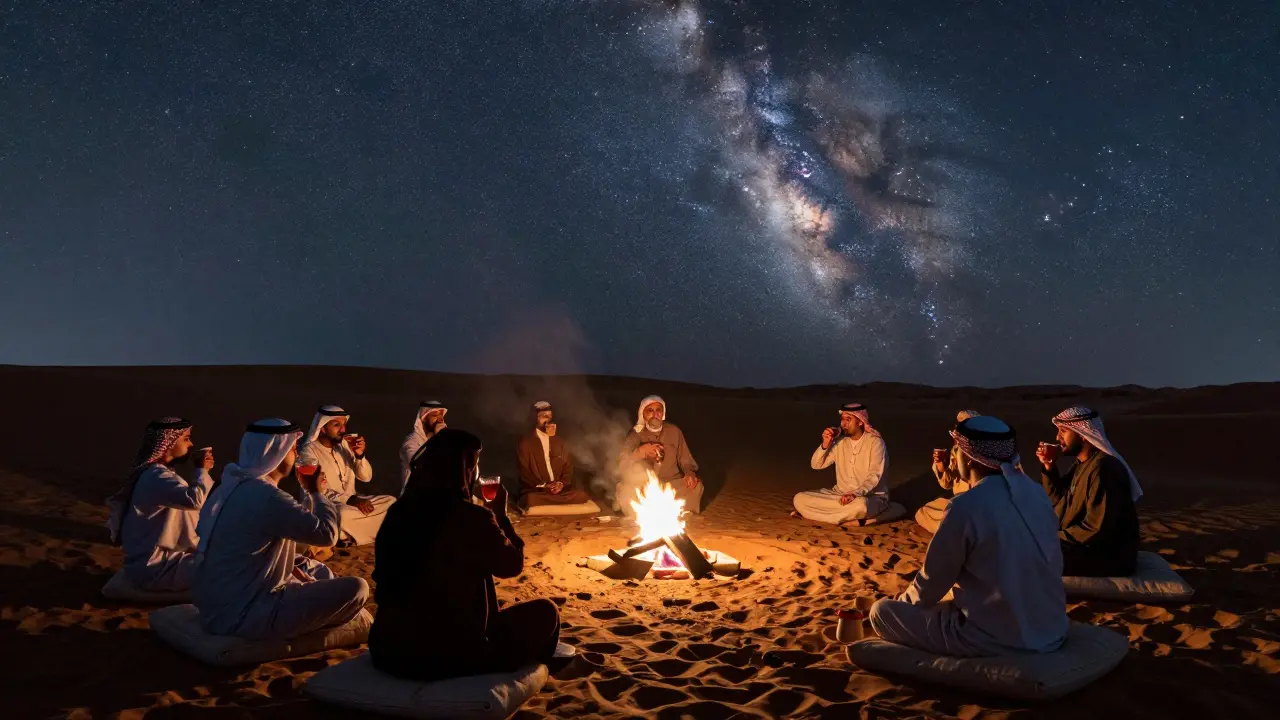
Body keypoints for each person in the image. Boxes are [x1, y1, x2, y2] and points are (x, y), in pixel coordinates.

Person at [369, 429, 561, 681]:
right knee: (546, 613)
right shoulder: (471, 517)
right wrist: (500, 516)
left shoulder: (397, 511)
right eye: (473, 465)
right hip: (446, 655)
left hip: (388, 648)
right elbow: (512, 564)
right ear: (463, 470)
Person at [870, 416, 1068, 657]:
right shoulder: (1035, 493)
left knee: (881, 612)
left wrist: (901, 602)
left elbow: (931, 583)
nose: (955, 456)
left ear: (969, 457)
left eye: (957, 450)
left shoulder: (965, 506)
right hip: (1052, 628)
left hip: (996, 637)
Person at [192, 419, 369, 640]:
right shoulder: (268, 497)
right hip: (246, 614)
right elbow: (327, 535)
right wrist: (317, 493)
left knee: (311, 567)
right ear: (278, 453)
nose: (295, 456)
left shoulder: (229, 485)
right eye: (292, 449)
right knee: (357, 588)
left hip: (219, 604)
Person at [106, 417, 214, 592]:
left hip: (164, 562)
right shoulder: (156, 477)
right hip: (158, 567)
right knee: (228, 571)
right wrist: (202, 470)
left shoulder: (157, 474)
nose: (191, 444)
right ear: (169, 443)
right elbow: (195, 500)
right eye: (186, 439)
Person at [1036, 406, 1141, 577]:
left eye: (1063, 431)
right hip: (1083, 546)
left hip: (1106, 557)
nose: (1057, 438)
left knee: (1028, 556)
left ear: (1083, 434)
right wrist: (1049, 467)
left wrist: (1053, 538)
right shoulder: (1083, 464)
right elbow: (1059, 501)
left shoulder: (1103, 469)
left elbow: (1095, 528)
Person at [298, 405, 395, 546]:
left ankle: (348, 535)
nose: (343, 430)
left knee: (391, 502)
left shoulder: (344, 445)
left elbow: (366, 477)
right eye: (337, 425)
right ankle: (359, 532)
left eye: (344, 425)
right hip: (324, 506)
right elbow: (318, 489)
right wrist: (349, 499)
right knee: (342, 515)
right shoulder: (308, 452)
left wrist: (359, 455)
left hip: (353, 503)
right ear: (323, 428)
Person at [793, 403, 890, 524]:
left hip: (869, 496)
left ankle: (816, 515)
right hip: (839, 495)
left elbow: (875, 475)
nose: (843, 424)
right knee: (799, 499)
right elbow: (816, 465)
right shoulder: (840, 443)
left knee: (862, 506)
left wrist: (855, 494)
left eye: (848, 420)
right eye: (842, 420)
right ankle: (847, 518)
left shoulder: (875, 442)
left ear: (860, 422)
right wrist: (825, 444)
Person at [616, 396, 703, 517]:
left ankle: (684, 514)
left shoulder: (674, 431)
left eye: (658, 410)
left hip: (671, 485)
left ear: (663, 413)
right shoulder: (635, 434)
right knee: (623, 489)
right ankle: (643, 515)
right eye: (650, 410)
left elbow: (685, 460)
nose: (655, 414)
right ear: (643, 414)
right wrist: (640, 452)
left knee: (696, 486)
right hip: (644, 486)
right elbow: (622, 464)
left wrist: (689, 473)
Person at [914, 410, 982, 534]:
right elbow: (947, 484)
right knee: (923, 512)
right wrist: (942, 467)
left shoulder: (987, 454)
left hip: (981, 506)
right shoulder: (955, 452)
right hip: (958, 503)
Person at [515, 400, 591, 509]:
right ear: (535, 418)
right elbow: (524, 473)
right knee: (530, 499)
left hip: (559, 490)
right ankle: (555, 501)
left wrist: (560, 484)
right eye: (544, 416)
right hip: (538, 490)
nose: (548, 420)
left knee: (581, 495)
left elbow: (568, 468)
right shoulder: (526, 442)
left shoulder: (560, 442)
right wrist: (545, 485)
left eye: (550, 416)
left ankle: (554, 500)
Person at [399, 400, 447, 494]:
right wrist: (439, 439)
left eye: (441, 415)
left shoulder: (440, 441)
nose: (440, 419)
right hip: (415, 500)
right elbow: (420, 466)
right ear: (423, 418)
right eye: (434, 415)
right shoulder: (411, 441)